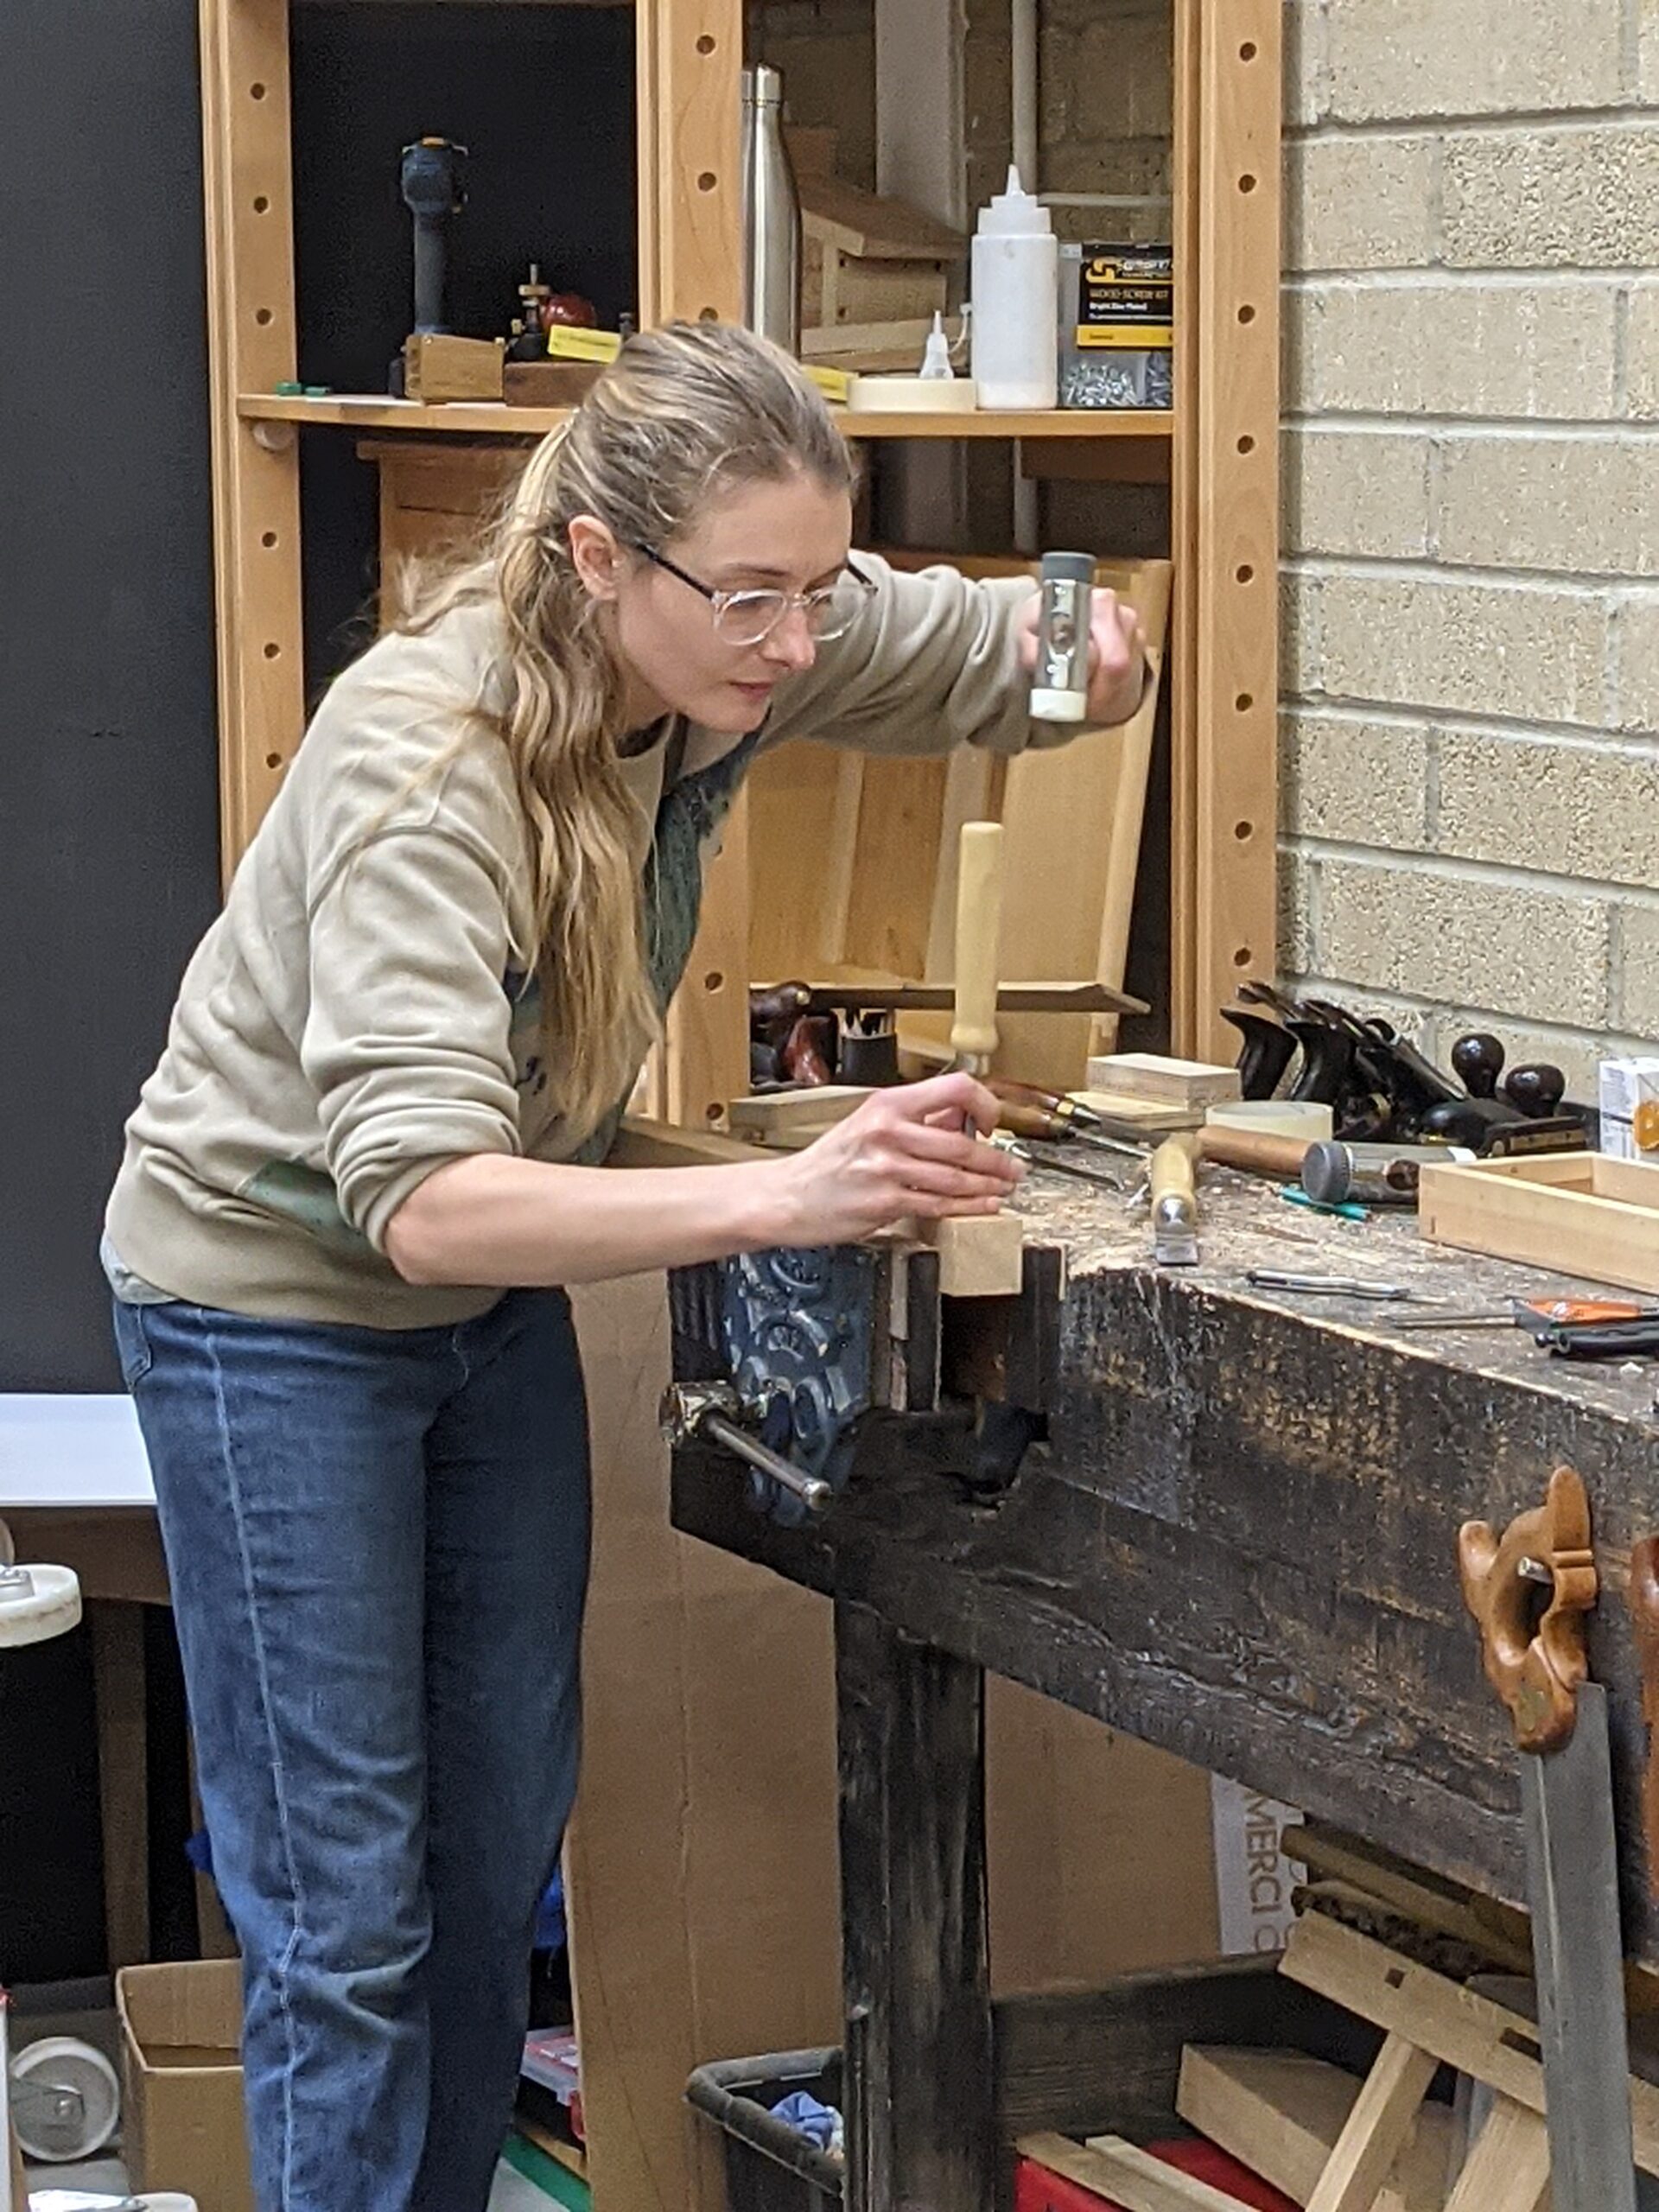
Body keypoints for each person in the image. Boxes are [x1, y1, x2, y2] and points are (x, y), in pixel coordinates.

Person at [104, 320, 1147, 2212]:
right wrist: (790, 1194)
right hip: (272, 1311)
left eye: (815, 586)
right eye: (753, 599)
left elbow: (975, 646)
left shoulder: (734, 639)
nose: (795, 644)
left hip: (469, 1315)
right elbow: (425, 1199)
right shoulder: (432, 762)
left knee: (493, 1854)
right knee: (346, 1914)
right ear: (599, 557)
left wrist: (1079, 656)